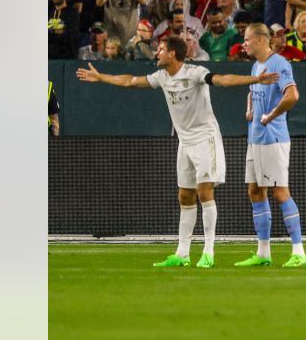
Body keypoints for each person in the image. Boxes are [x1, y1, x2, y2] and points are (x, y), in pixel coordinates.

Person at [74, 37, 280, 268]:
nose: (157, 53)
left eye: (161, 49)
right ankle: (182, 254)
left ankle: (208, 252)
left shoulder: (194, 73)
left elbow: (222, 80)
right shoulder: (161, 77)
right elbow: (130, 81)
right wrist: (101, 77)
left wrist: (256, 79)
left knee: (204, 192)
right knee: (184, 196)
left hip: (205, 138)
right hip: (184, 141)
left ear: (172, 53)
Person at [234, 24, 306, 269]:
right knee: (255, 190)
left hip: (273, 138)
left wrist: (271, 115)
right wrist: (250, 108)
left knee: (280, 191)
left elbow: (292, 95)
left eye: (247, 39)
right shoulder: (257, 67)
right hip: (255, 138)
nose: (244, 43)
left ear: (260, 40)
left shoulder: (280, 64)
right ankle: (263, 252)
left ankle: (299, 252)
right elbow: (254, 91)